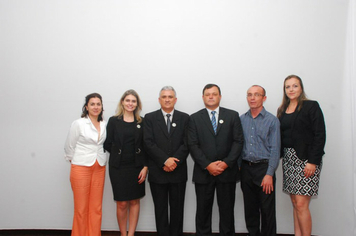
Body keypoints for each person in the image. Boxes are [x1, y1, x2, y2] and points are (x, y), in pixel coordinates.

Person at [188, 84, 244, 236]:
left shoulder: (232, 115)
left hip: (227, 173)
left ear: (220, 96)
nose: (211, 96)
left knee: (227, 211)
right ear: (203, 97)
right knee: (203, 212)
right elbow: (192, 144)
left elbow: (238, 141)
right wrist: (207, 165)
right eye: (208, 94)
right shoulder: (194, 118)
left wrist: (226, 163)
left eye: (214, 94)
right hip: (203, 172)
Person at [277, 75, 326, 236]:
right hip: (289, 160)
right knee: (294, 203)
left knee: (301, 204)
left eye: (295, 86)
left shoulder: (311, 106)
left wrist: (313, 161)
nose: (291, 89)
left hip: (306, 160)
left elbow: (320, 135)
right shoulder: (282, 110)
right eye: (288, 87)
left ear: (301, 88)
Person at [143, 86, 190, 236]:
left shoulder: (185, 118)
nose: (167, 99)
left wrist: (174, 162)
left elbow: (188, 143)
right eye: (164, 97)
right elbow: (148, 143)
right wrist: (164, 160)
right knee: (160, 209)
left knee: (177, 210)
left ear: (175, 100)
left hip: (178, 171)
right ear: (159, 100)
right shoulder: (149, 118)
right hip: (158, 172)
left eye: (170, 97)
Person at [104, 90, 148, 236]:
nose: (130, 103)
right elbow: (107, 143)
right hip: (118, 168)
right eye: (128, 100)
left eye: (133, 101)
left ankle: (131, 234)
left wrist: (145, 167)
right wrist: (119, 154)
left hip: (137, 167)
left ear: (137, 104)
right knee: (122, 203)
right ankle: (123, 234)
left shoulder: (142, 122)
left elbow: (146, 146)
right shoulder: (113, 121)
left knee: (135, 201)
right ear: (122, 102)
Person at [239, 85, 280, 236]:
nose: (252, 98)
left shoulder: (272, 121)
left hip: (264, 170)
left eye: (256, 95)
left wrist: (269, 174)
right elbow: (238, 145)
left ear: (264, 98)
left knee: (267, 211)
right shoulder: (241, 119)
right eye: (249, 95)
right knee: (250, 210)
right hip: (246, 169)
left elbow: (275, 149)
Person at [64, 93, 107, 236]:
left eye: (98, 104)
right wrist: (77, 162)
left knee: (96, 208)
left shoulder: (104, 124)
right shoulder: (79, 123)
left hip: (99, 167)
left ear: (102, 106)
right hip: (81, 168)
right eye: (92, 104)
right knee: (81, 208)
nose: (96, 107)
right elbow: (69, 147)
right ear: (86, 107)